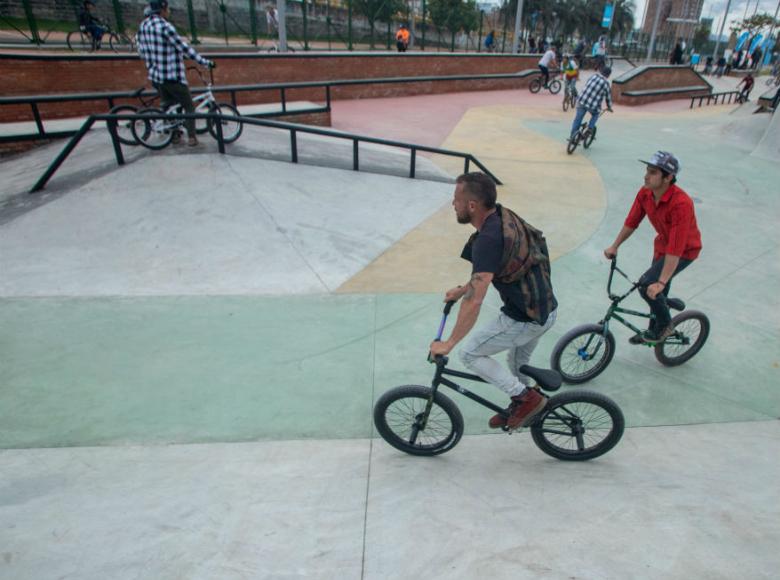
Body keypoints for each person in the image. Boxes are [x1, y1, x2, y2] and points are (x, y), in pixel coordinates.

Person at [429, 173, 558, 430]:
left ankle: (525, 399)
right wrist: (462, 289)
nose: (453, 204)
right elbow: (485, 275)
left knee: (469, 354)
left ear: (472, 206)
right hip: (546, 309)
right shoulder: (501, 216)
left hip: (525, 318)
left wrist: (450, 343)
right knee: (516, 365)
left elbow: (475, 300)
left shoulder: (487, 240)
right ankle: (526, 404)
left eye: (456, 200)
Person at [604, 152, 702, 343]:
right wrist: (615, 246)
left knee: (648, 285)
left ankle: (665, 327)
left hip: (684, 251)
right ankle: (654, 326)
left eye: (653, 172)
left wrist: (662, 282)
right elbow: (632, 222)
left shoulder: (681, 204)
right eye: (647, 171)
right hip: (662, 247)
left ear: (668, 177)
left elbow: (676, 247)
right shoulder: (645, 193)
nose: (646, 176)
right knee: (654, 291)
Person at [136, 0, 215, 147]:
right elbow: (184, 48)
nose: (169, 11)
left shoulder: (144, 26)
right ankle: (192, 137)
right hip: (172, 76)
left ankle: (174, 136)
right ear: (163, 9)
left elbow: (141, 50)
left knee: (169, 105)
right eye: (168, 8)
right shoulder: (165, 27)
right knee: (189, 106)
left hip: (156, 76)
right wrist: (205, 62)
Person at [569, 64, 613, 142]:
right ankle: (590, 128)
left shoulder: (593, 76)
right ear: (608, 75)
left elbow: (587, 85)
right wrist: (609, 107)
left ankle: (572, 137)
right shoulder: (606, 84)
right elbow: (608, 98)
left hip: (581, 100)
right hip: (592, 106)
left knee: (577, 120)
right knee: (596, 114)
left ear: (601, 71)